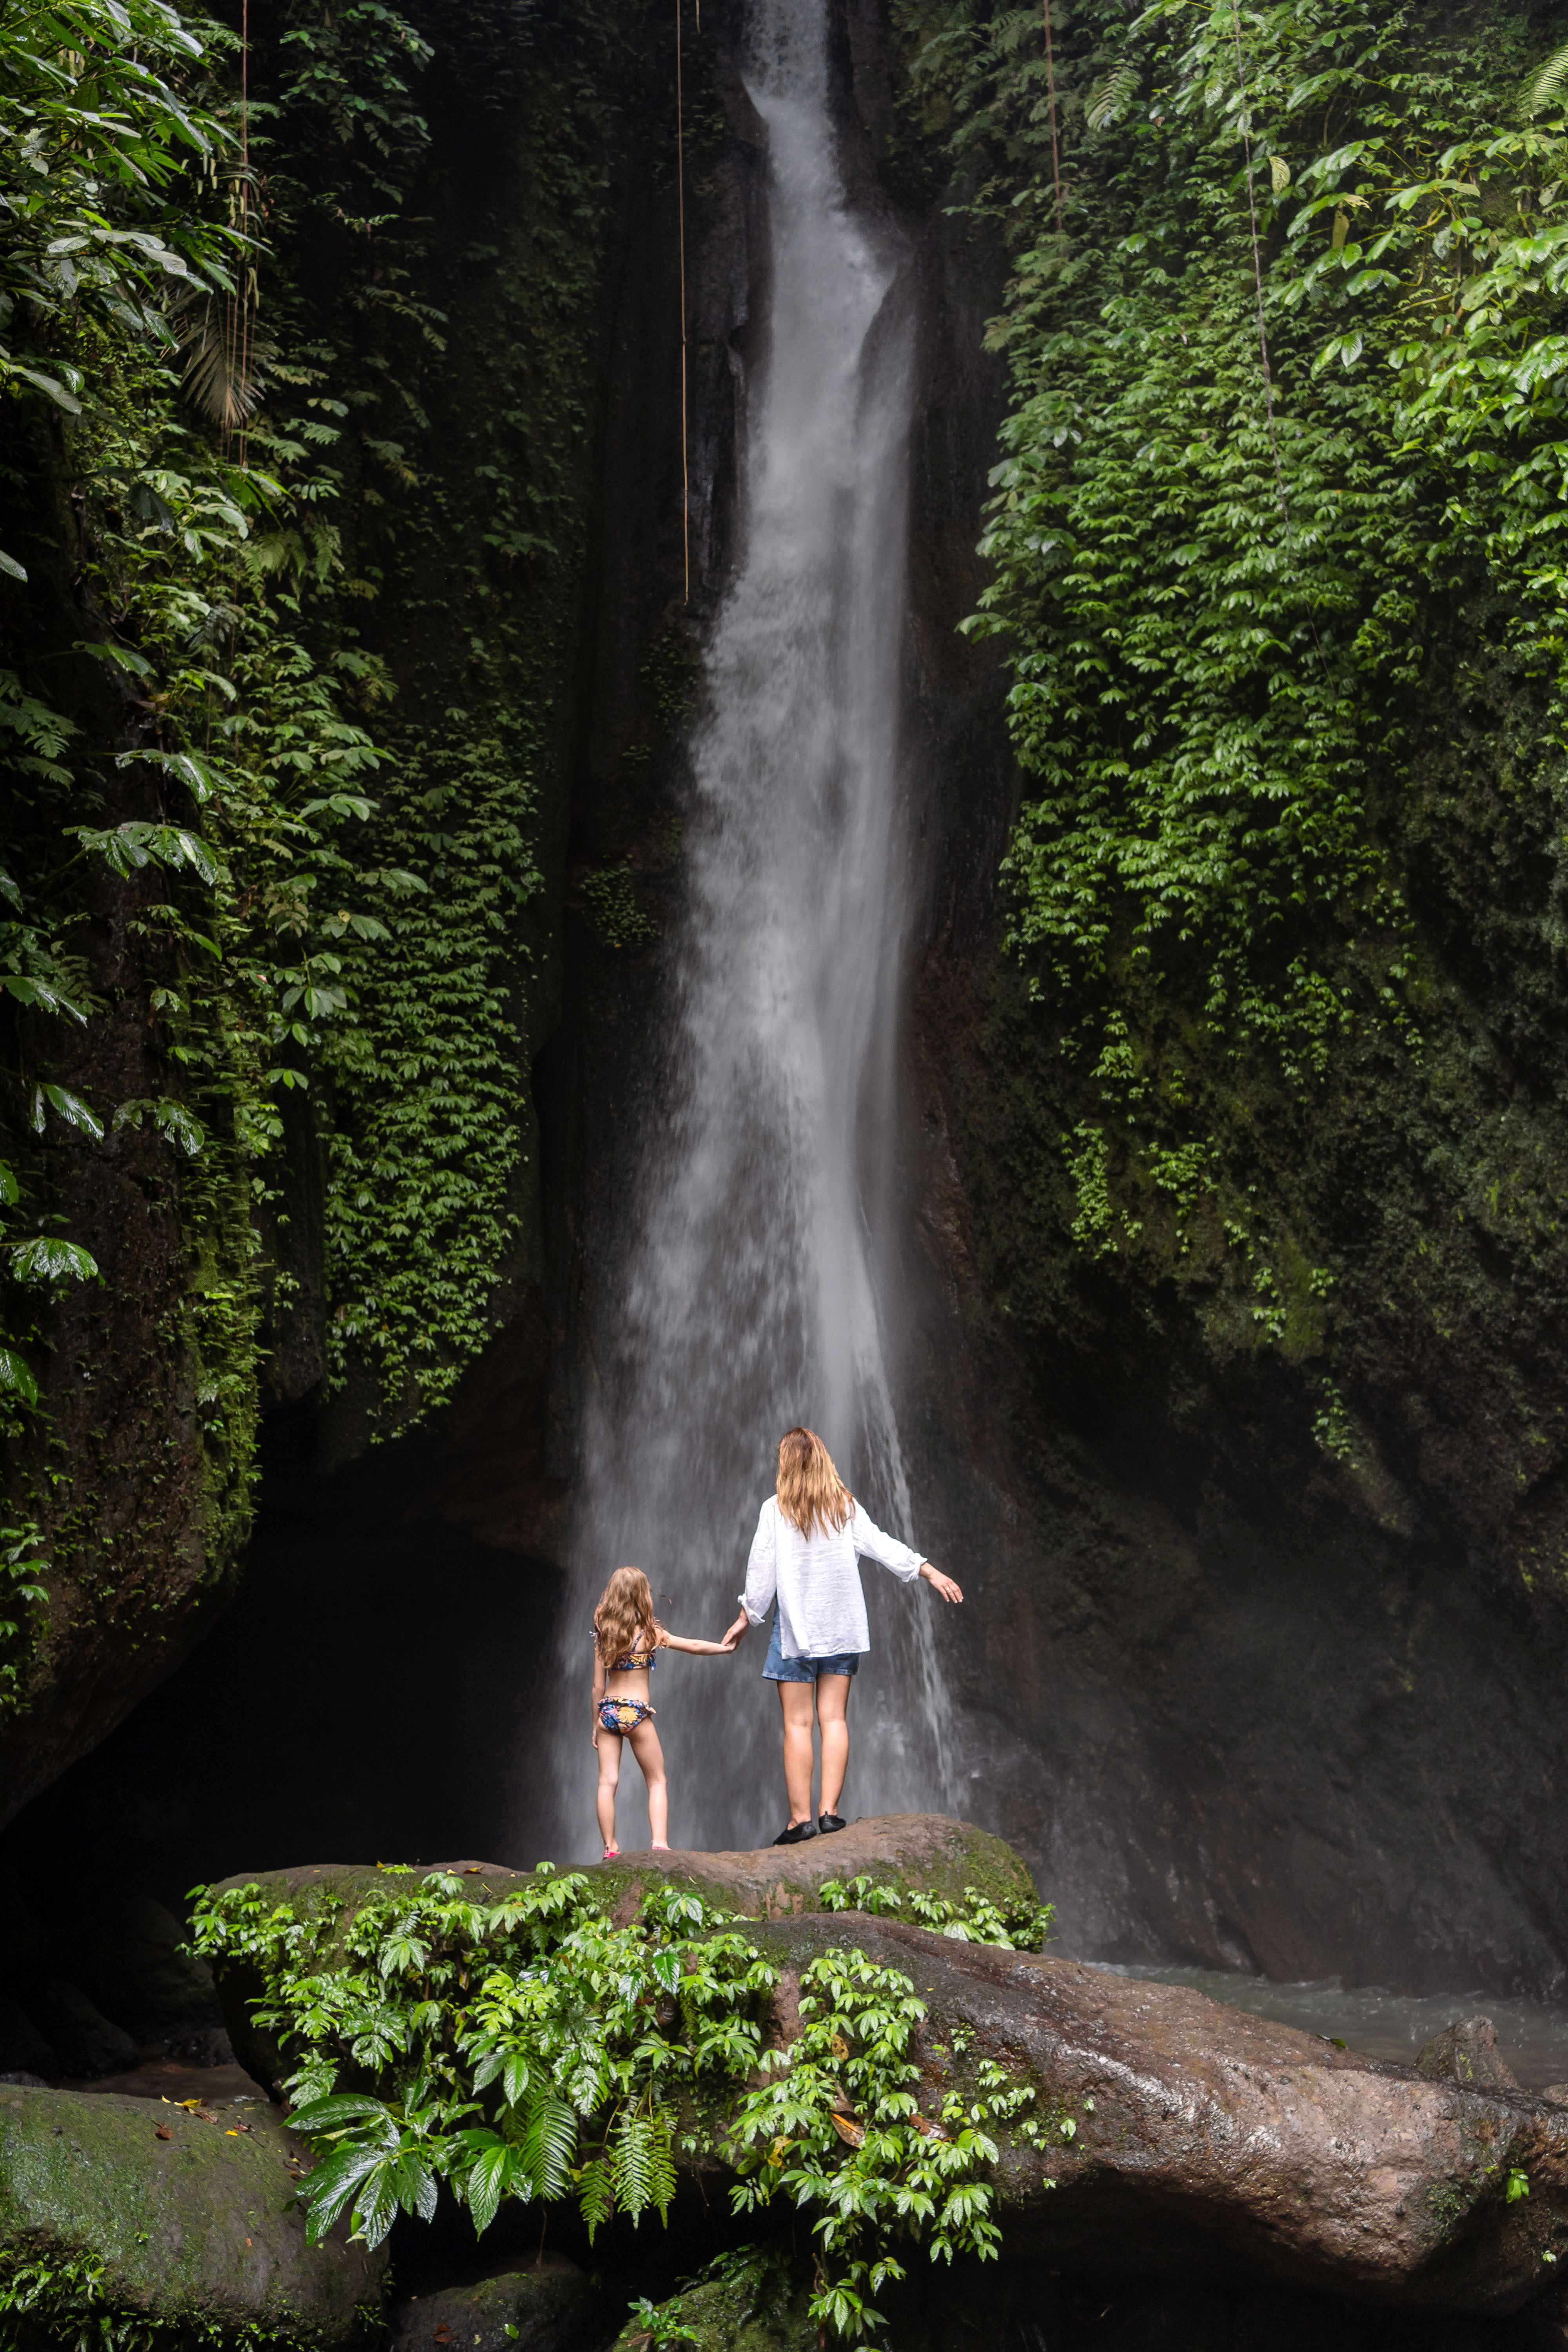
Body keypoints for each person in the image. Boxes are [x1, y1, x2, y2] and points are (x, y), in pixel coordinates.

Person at [722, 1426, 963, 1845]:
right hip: (843, 1629)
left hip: (795, 1630)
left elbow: (761, 1571)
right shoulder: (844, 1507)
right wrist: (928, 1570)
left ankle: (800, 1821)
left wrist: (748, 1616)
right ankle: (829, 1813)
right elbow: (882, 1545)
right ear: (822, 1461)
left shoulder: (775, 1510)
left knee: (798, 1723)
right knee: (834, 1718)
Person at [591, 1565, 734, 1858]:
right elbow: (693, 1645)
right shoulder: (650, 1634)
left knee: (607, 1781)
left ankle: (610, 1847)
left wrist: (596, 1723)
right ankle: (659, 1844)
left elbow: (597, 1686)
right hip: (635, 1713)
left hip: (607, 1712)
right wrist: (724, 1648)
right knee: (657, 1780)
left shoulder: (603, 1635)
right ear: (642, 1597)